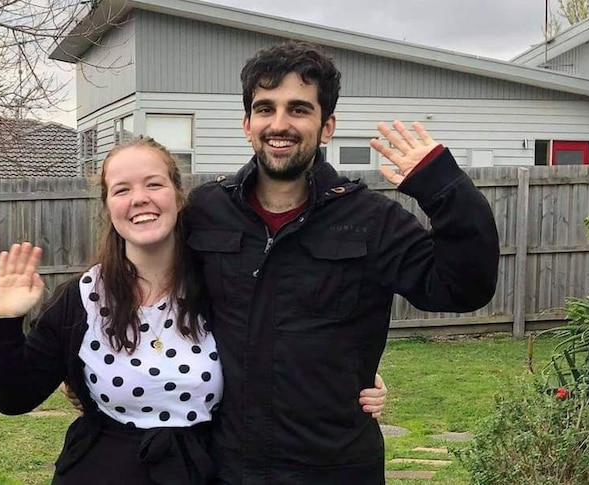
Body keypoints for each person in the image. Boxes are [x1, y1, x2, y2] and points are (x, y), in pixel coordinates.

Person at [0, 137, 387, 484]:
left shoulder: (224, 285)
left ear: (177, 195)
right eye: (121, 189)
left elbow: (287, 343)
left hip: (207, 470)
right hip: (100, 471)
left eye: (153, 184)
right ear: (108, 207)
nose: (139, 198)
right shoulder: (84, 298)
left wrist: (351, 381)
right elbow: (14, 398)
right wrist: (5, 321)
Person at [184, 41, 500, 484]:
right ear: (246, 123)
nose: (279, 124)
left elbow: (463, 287)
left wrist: (443, 187)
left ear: (326, 126)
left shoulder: (370, 220)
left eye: (298, 109)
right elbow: (143, 291)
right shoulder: (204, 211)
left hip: (336, 467)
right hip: (225, 464)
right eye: (265, 108)